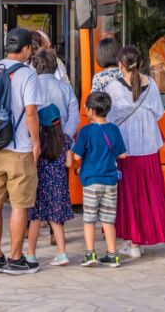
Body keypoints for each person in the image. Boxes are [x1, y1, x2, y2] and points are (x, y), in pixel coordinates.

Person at [0, 28, 42, 275]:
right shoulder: (28, 74)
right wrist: (36, 142)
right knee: (20, 205)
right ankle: (16, 259)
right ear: (27, 49)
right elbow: (30, 112)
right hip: (19, 149)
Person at [103, 45, 165, 258]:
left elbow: (109, 118)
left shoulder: (113, 87)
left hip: (126, 149)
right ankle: (143, 238)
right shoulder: (151, 84)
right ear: (141, 63)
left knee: (129, 196)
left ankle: (132, 244)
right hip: (149, 147)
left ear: (120, 65)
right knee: (148, 195)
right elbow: (159, 113)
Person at [26, 49, 75, 267]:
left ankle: (30, 253)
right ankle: (61, 249)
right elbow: (74, 115)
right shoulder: (65, 88)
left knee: (34, 214)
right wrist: (65, 138)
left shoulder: (30, 86)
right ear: (56, 66)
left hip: (35, 150)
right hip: (58, 146)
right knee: (56, 209)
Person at [71, 91, 127, 267]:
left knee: (89, 219)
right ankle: (112, 255)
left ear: (90, 110)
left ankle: (90, 254)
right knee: (108, 221)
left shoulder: (86, 131)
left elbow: (77, 156)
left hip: (91, 181)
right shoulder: (114, 129)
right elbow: (123, 155)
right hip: (110, 181)